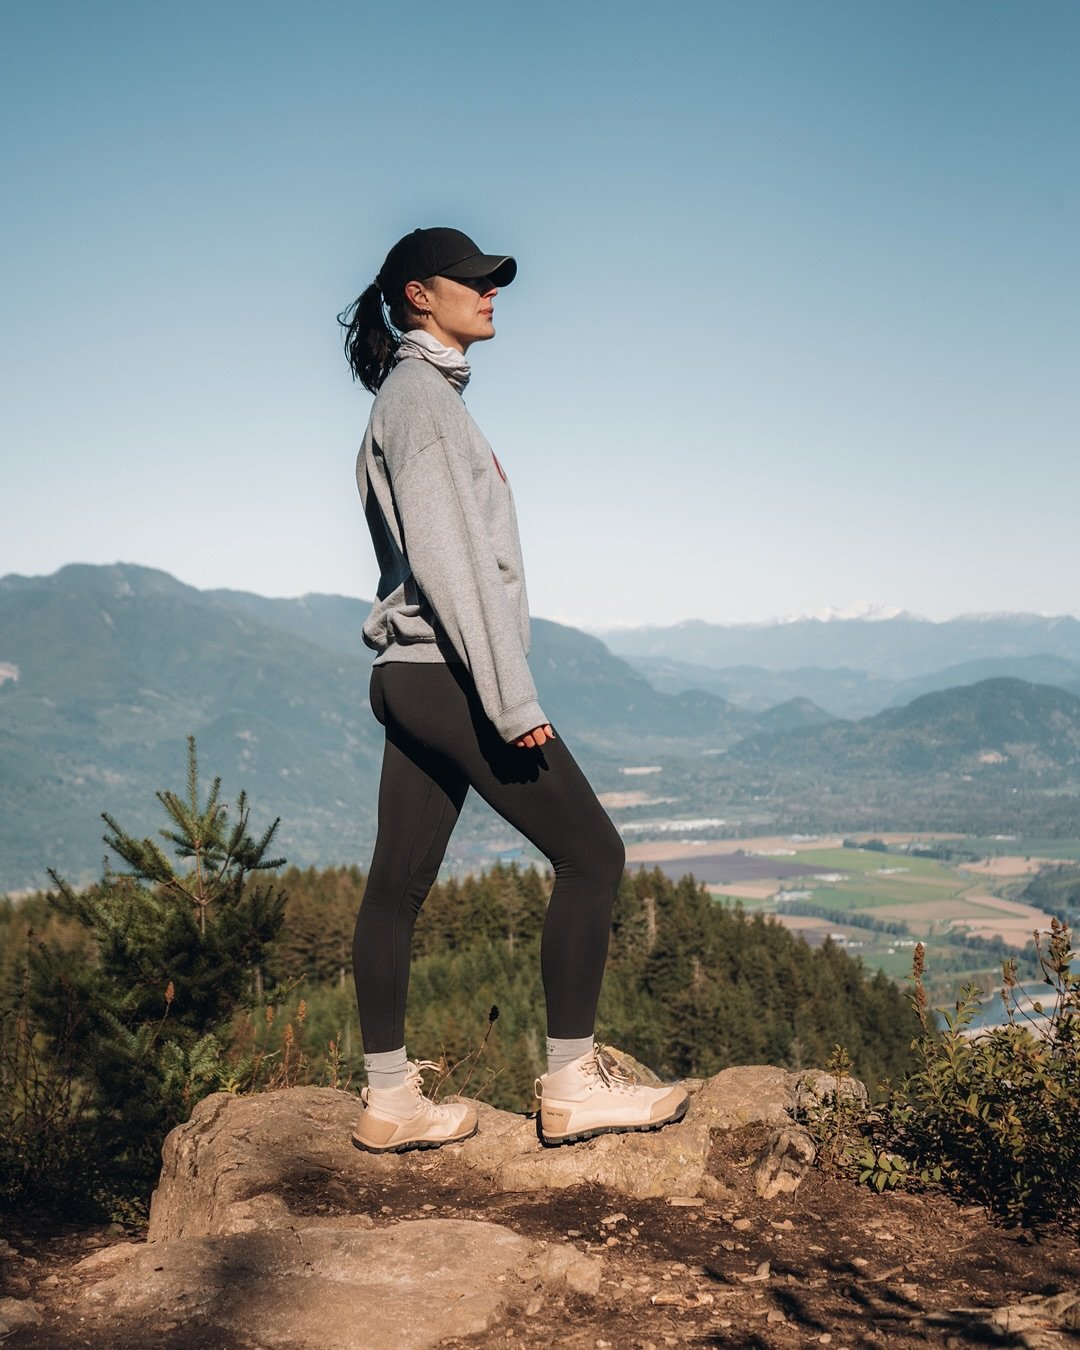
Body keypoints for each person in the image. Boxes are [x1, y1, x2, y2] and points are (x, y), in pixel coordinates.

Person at [339, 227, 689, 1153]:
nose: (492, 293)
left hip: (410, 674)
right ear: (421, 295)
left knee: (396, 889)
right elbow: (453, 570)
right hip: (451, 675)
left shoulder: (420, 398)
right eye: (475, 281)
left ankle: (389, 1100)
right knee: (593, 856)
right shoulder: (421, 402)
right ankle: (572, 1082)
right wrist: (509, 698)